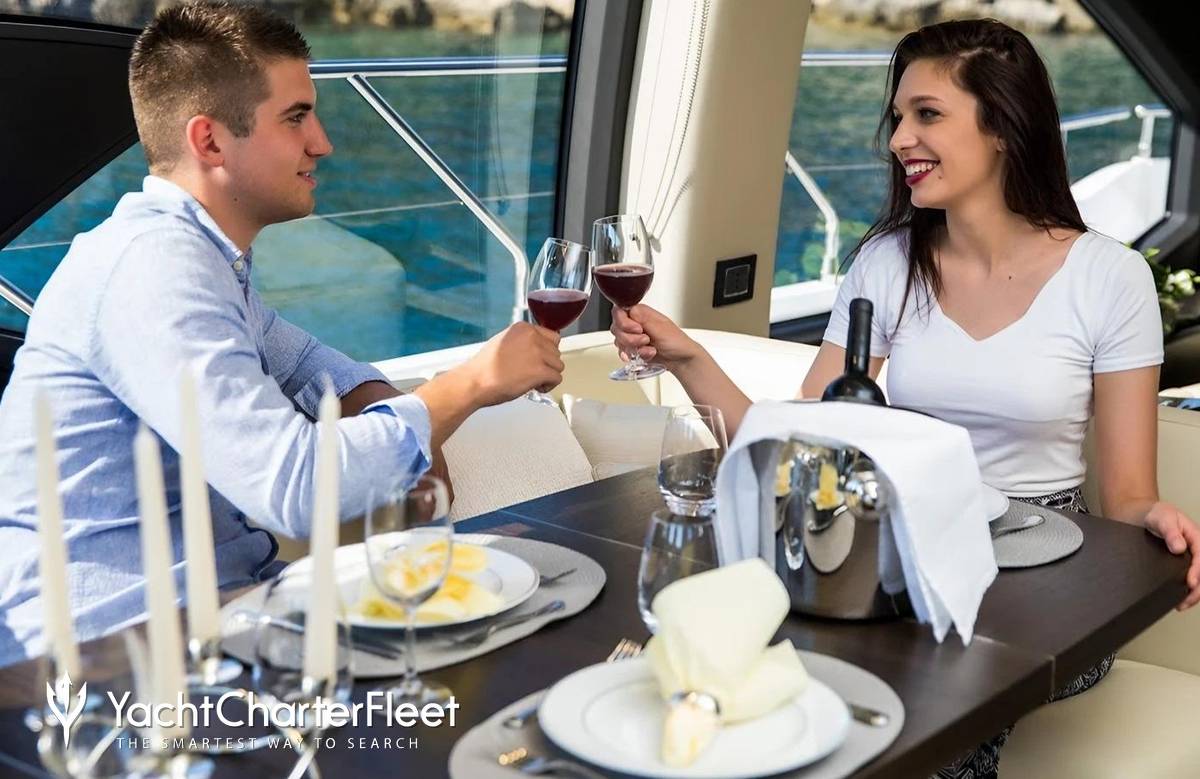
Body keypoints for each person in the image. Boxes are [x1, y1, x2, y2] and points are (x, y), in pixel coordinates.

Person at [611, 19, 1200, 777]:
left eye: (927, 114)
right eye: (897, 116)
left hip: (1047, 571)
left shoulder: (1110, 278)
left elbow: (1126, 496)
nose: (897, 139)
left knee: (923, 700)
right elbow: (796, 446)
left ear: (1004, 128)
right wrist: (688, 358)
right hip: (901, 551)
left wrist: (1154, 519)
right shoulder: (887, 264)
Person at [0, 0, 564, 667]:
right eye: (295, 117)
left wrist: (386, 406)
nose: (322, 143)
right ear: (210, 142)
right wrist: (466, 388)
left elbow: (301, 361)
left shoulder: (199, 258)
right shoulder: (152, 269)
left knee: (517, 617)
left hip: (219, 614)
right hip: (113, 660)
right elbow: (294, 488)